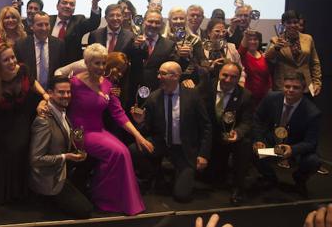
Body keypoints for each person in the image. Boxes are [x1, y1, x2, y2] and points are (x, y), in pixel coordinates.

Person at [67, 44, 152, 214]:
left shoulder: (107, 84)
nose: (100, 67)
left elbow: (118, 113)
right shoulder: (74, 83)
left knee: (124, 152)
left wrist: (138, 136)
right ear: (87, 62)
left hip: (98, 130)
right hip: (80, 133)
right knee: (117, 153)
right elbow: (59, 101)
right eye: (96, 63)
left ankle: (112, 198)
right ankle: (103, 198)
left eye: (103, 63)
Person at [132, 61, 212, 202]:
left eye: (162, 74)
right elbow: (147, 129)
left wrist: (203, 154)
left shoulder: (192, 96)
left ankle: (178, 173)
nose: (158, 77)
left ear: (175, 76)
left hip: (184, 149)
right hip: (162, 144)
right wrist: (140, 122)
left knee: (182, 196)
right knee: (133, 149)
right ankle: (156, 175)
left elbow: (206, 126)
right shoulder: (154, 98)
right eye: (158, 73)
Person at [0, 43, 49, 203]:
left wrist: (44, 95)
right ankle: (3, 192)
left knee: (21, 145)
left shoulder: (23, 70)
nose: (12, 62)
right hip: (0, 119)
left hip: (21, 116)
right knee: (6, 150)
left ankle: (20, 190)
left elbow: (32, 83)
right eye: (6, 60)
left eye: (13, 57)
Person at [29, 75, 93, 219]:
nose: (66, 96)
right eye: (61, 92)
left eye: (68, 92)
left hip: (62, 170)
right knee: (86, 210)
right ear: (50, 93)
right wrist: (66, 156)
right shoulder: (44, 121)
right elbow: (36, 159)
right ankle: (46, 200)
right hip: (49, 179)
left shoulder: (62, 111)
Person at [252, 72, 322, 198]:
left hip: (294, 151)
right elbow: (257, 118)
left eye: (296, 87)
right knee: (250, 148)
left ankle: (299, 180)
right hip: (272, 147)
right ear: (282, 86)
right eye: (287, 86)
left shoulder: (312, 112)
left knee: (313, 161)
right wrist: (259, 140)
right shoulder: (271, 98)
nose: (290, 90)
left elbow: (311, 143)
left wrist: (292, 150)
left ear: (303, 89)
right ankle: (270, 177)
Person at [202, 62, 254, 206]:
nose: (228, 80)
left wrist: (237, 133)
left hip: (231, 138)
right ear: (219, 74)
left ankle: (238, 187)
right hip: (210, 137)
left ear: (238, 78)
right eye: (225, 75)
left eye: (233, 77)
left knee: (244, 144)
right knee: (212, 177)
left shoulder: (245, 95)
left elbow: (247, 122)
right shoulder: (206, 87)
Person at [265, 10, 322, 97]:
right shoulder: (276, 40)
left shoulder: (308, 39)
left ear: (299, 22)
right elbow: (267, 57)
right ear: (283, 24)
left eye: (295, 22)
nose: (292, 25)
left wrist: (317, 82)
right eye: (289, 22)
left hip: (305, 85)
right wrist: (276, 48)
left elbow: (315, 63)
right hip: (284, 86)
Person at [128, 10, 178, 108]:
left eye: (157, 22)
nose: (153, 25)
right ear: (143, 21)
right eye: (150, 21)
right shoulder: (131, 39)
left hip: (157, 92)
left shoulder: (169, 45)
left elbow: (174, 68)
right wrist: (134, 47)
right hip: (132, 91)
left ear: (162, 25)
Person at [14, 11, 65, 89]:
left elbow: (61, 70)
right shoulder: (21, 45)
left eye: (46, 24)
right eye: (40, 25)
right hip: (28, 93)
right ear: (32, 26)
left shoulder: (59, 44)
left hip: (51, 93)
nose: (44, 28)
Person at [49, 0, 103, 64]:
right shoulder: (48, 20)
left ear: (74, 9)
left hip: (70, 66)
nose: (68, 6)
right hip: (48, 63)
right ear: (57, 6)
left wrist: (95, 3)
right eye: (64, 3)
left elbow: (93, 23)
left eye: (72, 4)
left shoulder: (78, 21)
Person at [162, 7, 206, 87]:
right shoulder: (163, 40)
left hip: (190, 81)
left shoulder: (195, 40)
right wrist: (178, 55)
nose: (178, 21)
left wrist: (190, 56)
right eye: (175, 18)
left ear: (186, 21)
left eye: (181, 18)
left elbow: (201, 63)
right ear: (169, 21)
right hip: (166, 81)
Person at [204, 19, 246, 86]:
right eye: (217, 31)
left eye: (223, 31)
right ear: (209, 32)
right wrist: (211, 67)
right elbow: (199, 69)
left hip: (228, 85)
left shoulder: (231, 48)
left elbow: (240, 69)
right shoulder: (201, 48)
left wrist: (241, 82)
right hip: (206, 85)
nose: (221, 34)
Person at [238, 30, 271, 108]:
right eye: (250, 39)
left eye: (255, 39)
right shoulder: (243, 56)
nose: (253, 41)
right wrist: (246, 35)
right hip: (249, 97)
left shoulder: (264, 56)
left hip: (264, 97)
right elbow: (242, 49)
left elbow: (268, 77)